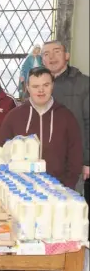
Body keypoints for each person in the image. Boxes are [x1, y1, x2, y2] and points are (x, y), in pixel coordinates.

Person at [0, 67, 82, 189]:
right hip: (20, 188)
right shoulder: (13, 116)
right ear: (27, 88)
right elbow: (2, 153)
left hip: (59, 188)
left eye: (46, 85)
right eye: (35, 86)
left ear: (52, 85)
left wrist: (67, 186)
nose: (41, 90)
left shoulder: (66, 116)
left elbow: (75, 156)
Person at [41, 41, 89, 186]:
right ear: (42, 60)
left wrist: (87, 161)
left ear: (67, 55)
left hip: (72, 163)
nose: (52, 57)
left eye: (56, 51)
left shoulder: (83, 84)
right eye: (46, 54)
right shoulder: (37, 84)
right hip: (41, 163)